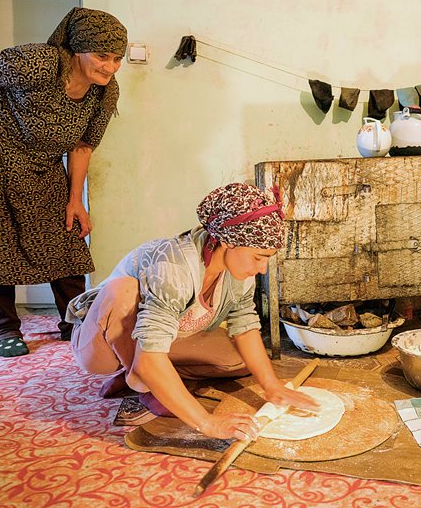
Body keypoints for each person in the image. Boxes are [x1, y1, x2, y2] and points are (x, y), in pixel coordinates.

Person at [0, 7, 128, 358]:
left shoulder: (105, 92)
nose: (111, 66)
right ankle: (2, 329)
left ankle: (76, 321)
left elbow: (82, 144)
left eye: (118, 58)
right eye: (102, 56)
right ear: (77, 50)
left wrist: (76, 199)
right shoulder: (40, 63)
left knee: (65, 231)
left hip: (37, 153)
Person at [66, 183, 319, 441]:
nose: (263, 268)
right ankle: (142, 378)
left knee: (238, 360)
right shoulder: (174, 267)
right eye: (258, 257)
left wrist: (272, 386)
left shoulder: (239, 272)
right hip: (99, 343)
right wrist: (208, 423)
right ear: (227, 241)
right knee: (123, 291)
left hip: (157, 335)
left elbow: (245, 325)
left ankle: (141, 372)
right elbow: (143, 334)